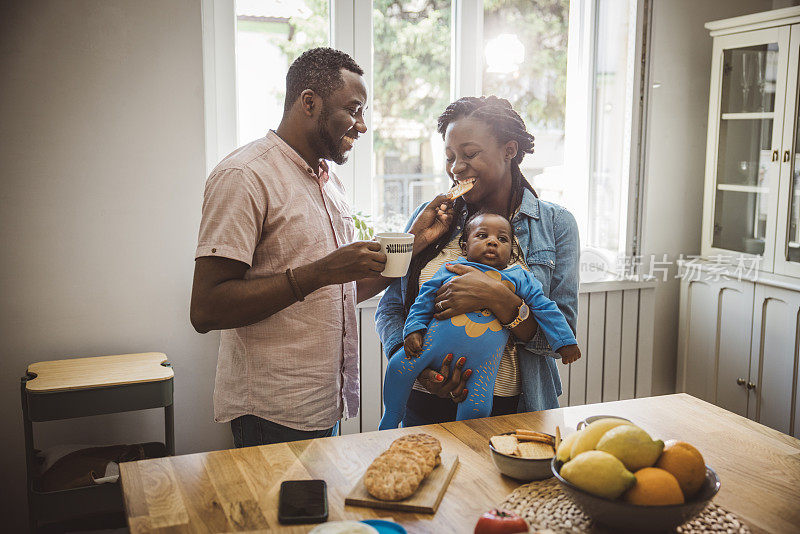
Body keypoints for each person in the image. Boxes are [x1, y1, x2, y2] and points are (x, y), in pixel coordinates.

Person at [190, 48, 453, 447]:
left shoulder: (330, 183)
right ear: (309, 102)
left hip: (323, 403)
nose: (362, 126)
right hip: (270, 410)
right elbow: (206, 308)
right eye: (354, 109)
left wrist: (415, 244)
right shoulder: (244, 175)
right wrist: (322, 271)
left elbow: (340, 290)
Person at [375, 95, 581, 427]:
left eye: (470, 154)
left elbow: (559, 337)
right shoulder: (430, 218)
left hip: (513, 407)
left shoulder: (555, 225)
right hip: (424, 400)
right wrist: (415, 362)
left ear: (509, 151)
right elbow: (392, 306)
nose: (456, 168)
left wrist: (496, 297)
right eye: (450, 156)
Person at [379, 212, 580, 429]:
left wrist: (565, 341)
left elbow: (546, 308)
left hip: (485, 373)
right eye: (482, 236)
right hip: (427, 358)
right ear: (464, 247)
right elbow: (423, 300)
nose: (492, 241)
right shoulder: (451, 268)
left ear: (511, 251)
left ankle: (470, 437)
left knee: (477, 404)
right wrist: (413, 330)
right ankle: (391, 415)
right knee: (399, 366)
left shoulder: (520, 278)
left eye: (502, 239)